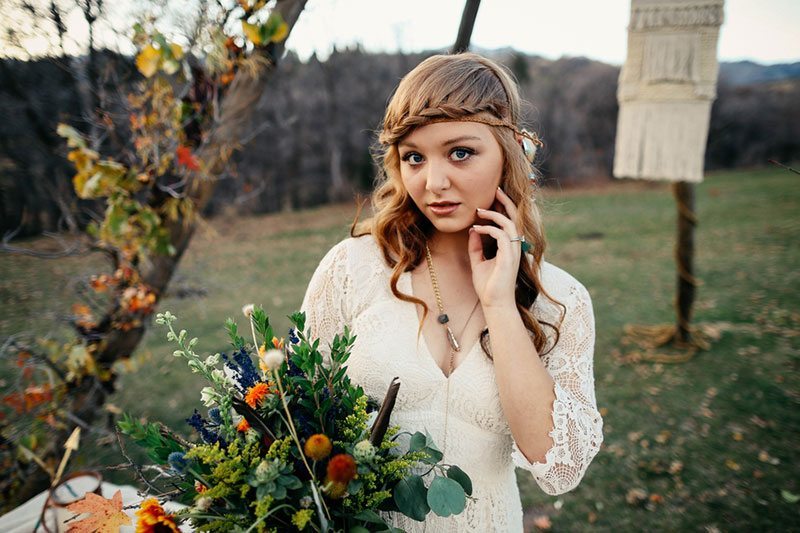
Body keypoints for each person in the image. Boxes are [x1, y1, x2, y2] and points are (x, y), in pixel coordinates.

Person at [301, 52, 603, 532]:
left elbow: (556, 465)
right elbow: (295, 418)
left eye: (460, 152)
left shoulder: (559, 299)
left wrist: (501, 303)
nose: (434, 183)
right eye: (414, 157)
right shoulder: (353, 267)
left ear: (509, 152)